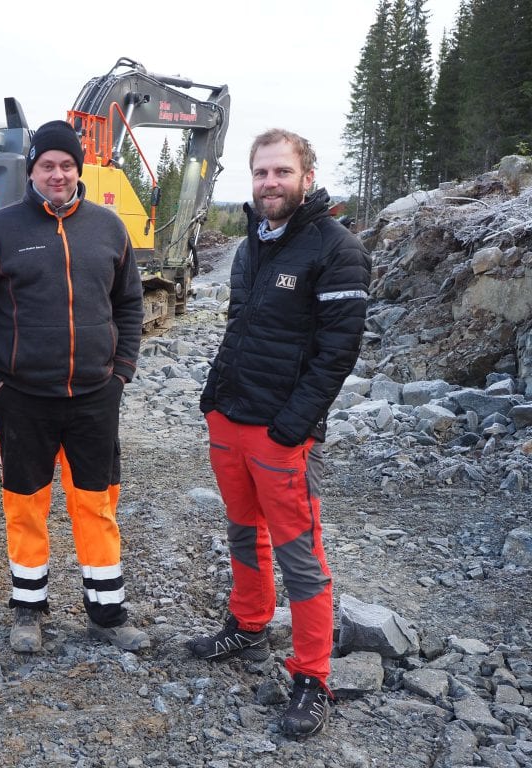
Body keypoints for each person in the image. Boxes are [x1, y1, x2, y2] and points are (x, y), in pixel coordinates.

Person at [190, 128, 371, 738]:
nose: (270, 183)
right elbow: (237, 327)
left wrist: (293, 427)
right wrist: (213, 398)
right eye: (261, 173)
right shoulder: (251, 246)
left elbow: (337, 352)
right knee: (243, 532)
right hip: (230, 421)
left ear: (307, 178)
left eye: (281, 173)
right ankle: (247, 624)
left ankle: (312, 677)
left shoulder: (335, 247)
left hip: (281, 433)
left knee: (300, 556)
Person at [0, 120, 149, 655]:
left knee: (96, 505)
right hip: (22, 401)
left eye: (66, 164)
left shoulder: (108, 228)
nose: (57, 174)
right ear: (31, 170)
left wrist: (121, 372)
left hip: (94, 399)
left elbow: (130, 303)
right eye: (46, 165)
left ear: (78, 169)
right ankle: (28, 610)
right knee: (25, 506)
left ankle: (107, 613)